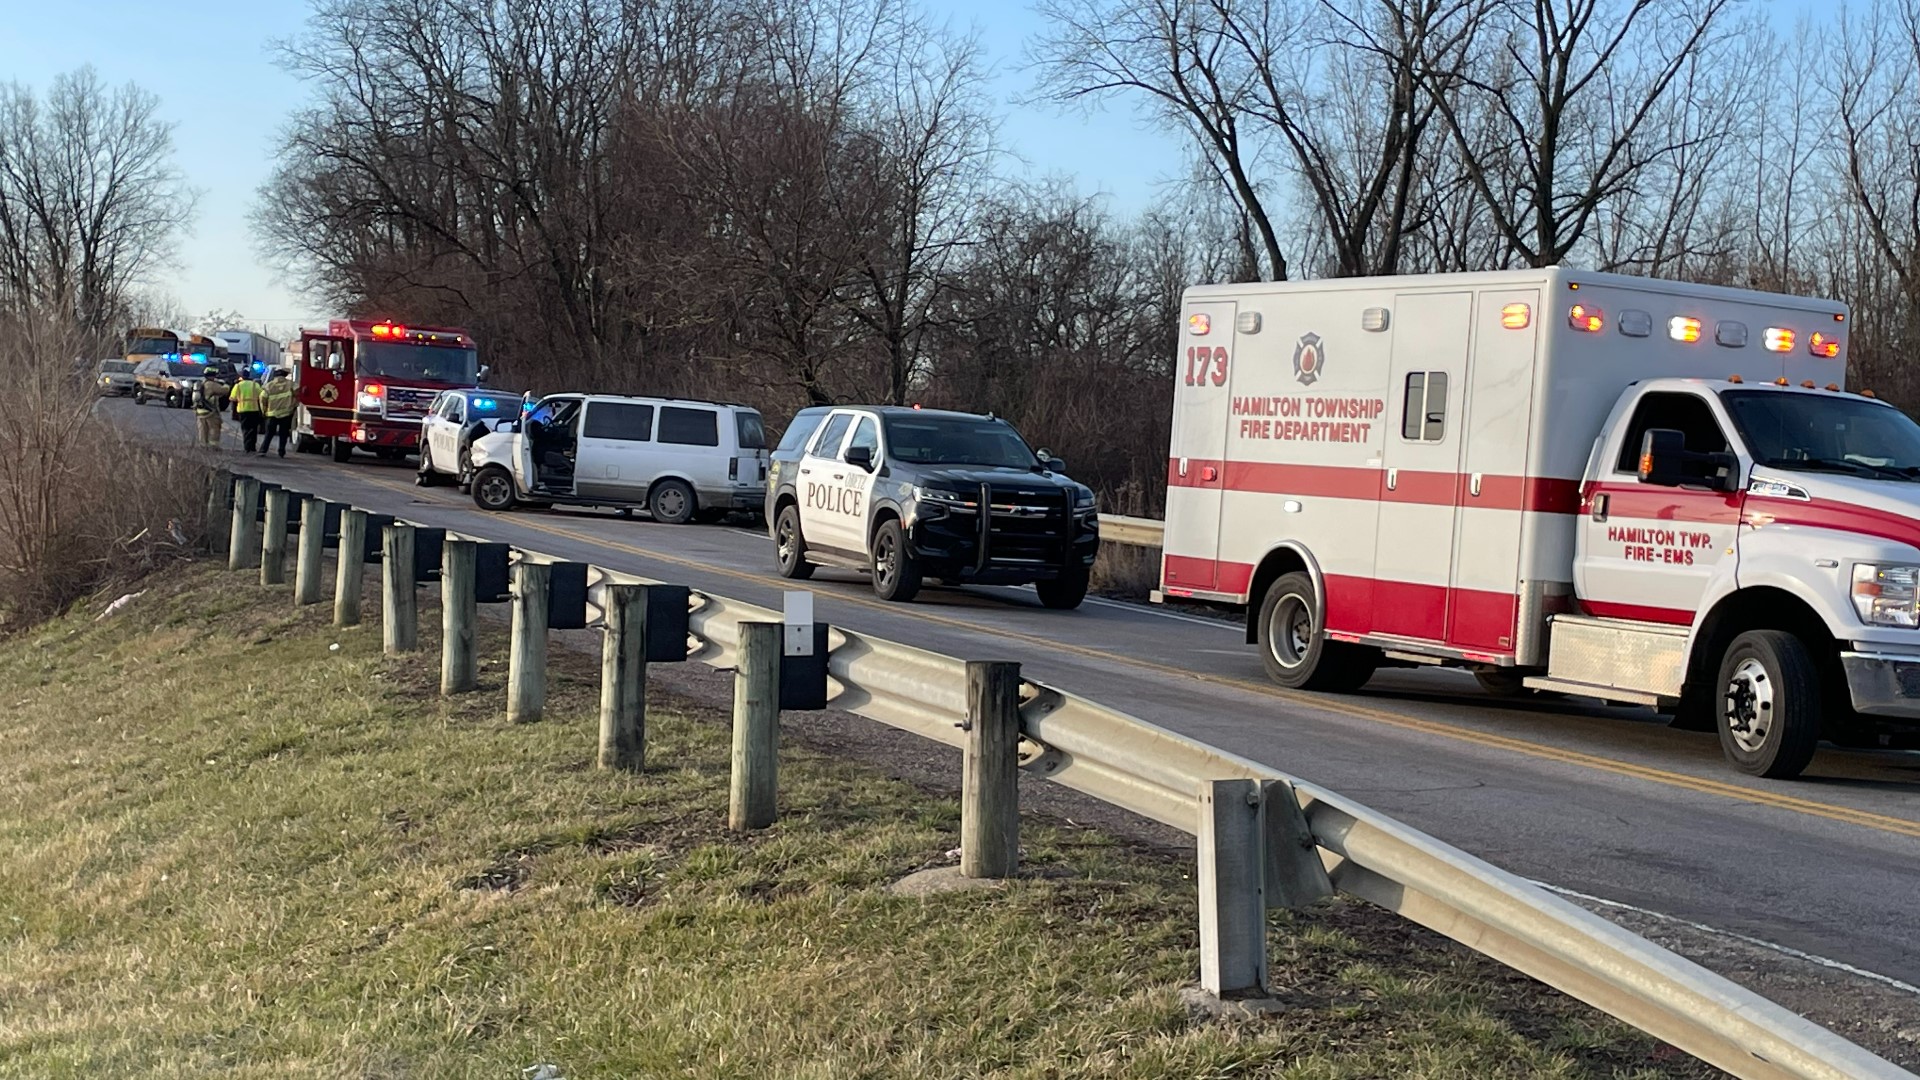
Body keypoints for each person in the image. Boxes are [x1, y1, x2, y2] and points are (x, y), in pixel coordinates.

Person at [260, 370, 297, 458]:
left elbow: (262, 398)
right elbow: (297, 394)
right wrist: (293, 406)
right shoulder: (291, 384)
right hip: (286, 413)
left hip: (271, 414)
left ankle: (263, 450)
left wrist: (264, 411)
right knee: (283, 434)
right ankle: (281, 452)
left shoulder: (269, 385)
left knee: (269, 434)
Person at [193, 370, 230, 448]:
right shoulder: (211, 384)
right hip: (210, 411)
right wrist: (227, 384)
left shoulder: (200, 384)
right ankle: (214, 446)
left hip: (200, 411)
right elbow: (224, 390)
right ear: (212, 376)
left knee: (202, 429)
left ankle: (203, 445)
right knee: (214, 428)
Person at [231, 372, 264, 453]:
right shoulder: (254, 385)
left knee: (245, 429)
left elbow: (232, 398)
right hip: (254, 410)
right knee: (253, 429)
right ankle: (253, 447)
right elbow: (262, 395)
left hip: (243, 410)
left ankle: (247, 447)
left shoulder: (238, 385)